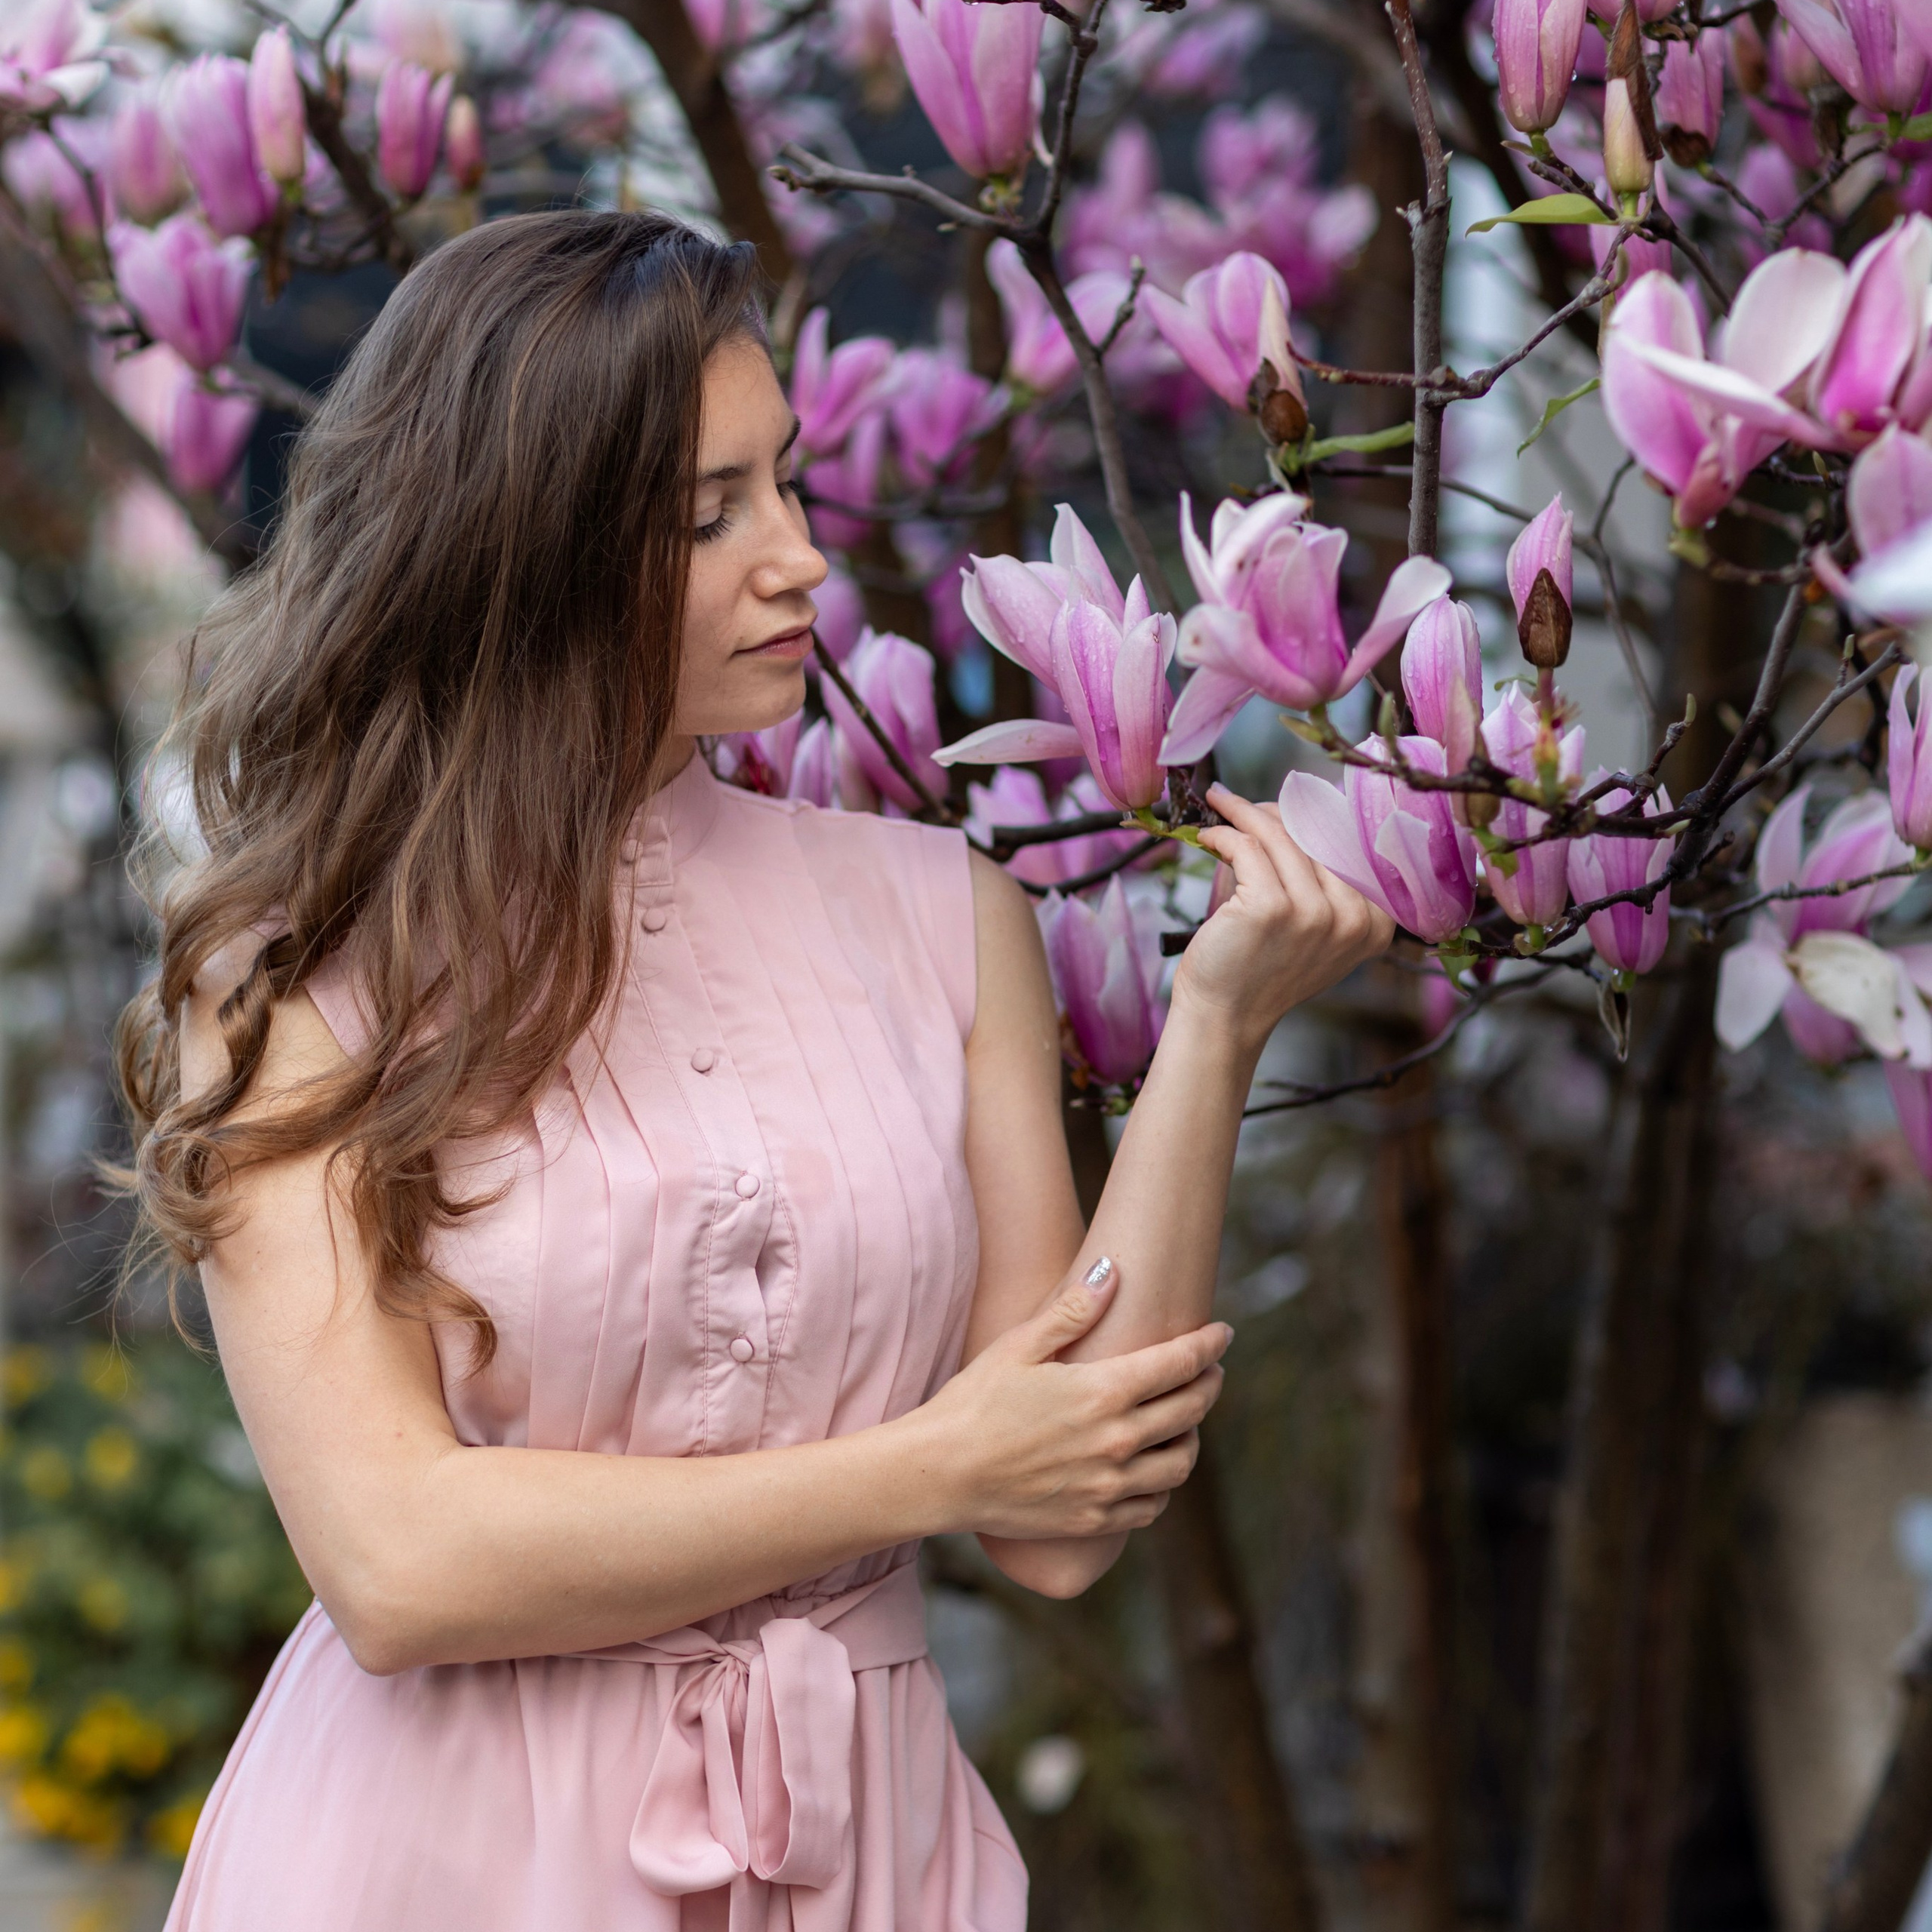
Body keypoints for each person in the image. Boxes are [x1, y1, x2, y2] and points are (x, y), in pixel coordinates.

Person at [116, 210, 1392, 1932]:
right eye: (710, 515)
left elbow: (1064, 1509)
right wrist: (929, 1465)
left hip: (868, 1847)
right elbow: (396, 1562)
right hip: (443, 1862)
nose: (795, 555)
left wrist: (1219, 1027)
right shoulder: (295, 971)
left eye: (784, 483)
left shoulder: (937, 914)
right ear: (533, 545)